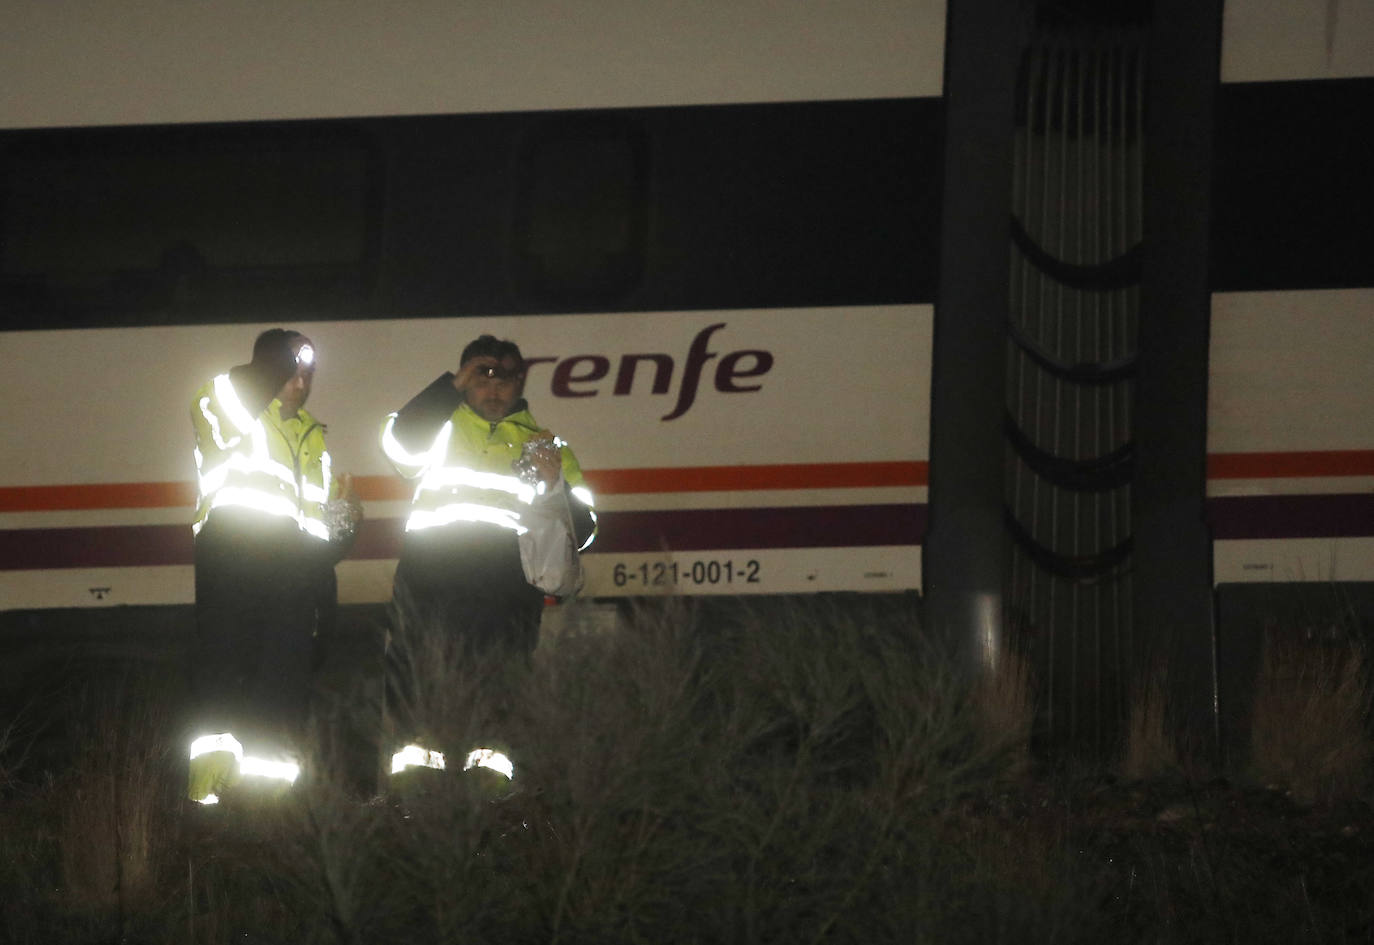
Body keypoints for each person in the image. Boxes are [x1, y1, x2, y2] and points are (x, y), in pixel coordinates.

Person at [379, 334, 596, 779]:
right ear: (465, 379)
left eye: (506, 378)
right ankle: (413, 801)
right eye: (483, 376)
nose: (494, 388)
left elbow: (586, 533)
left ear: (520, 384)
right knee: (421, 688)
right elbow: (399, 447)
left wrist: (555, 485)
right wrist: (450, 386)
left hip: (507, 588)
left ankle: (489, 801)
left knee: (497, 696)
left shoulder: (547, 445)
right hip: (429, 580)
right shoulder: (439, 426)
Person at [186, 329, 362, 805]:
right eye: (291, 369)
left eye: (308, 373)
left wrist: (345, 523)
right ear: (268, 366)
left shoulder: (313, 438)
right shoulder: (224, 401)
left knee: (282, 692)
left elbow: (321, 537)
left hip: (294, 577)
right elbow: (222, 424)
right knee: (224, 678)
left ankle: (269, 813)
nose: (301, 380)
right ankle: (210, 805)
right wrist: (275, 364)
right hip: (233, 559)